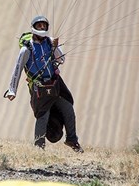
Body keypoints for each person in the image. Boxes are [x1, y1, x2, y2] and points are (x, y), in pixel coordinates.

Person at [5, 15, 83, 153]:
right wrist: (12, 90)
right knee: (43, 116)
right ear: (33, 28)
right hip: (39, 87)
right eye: (39, 26)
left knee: (68, 109)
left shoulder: (49, 43)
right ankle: (39, 149)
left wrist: (55, 47)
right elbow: (17, 68)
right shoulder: (27, 49)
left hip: (54, 84)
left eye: (44, 26)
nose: (42, 28)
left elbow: (62, 60)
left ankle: (72, 139)